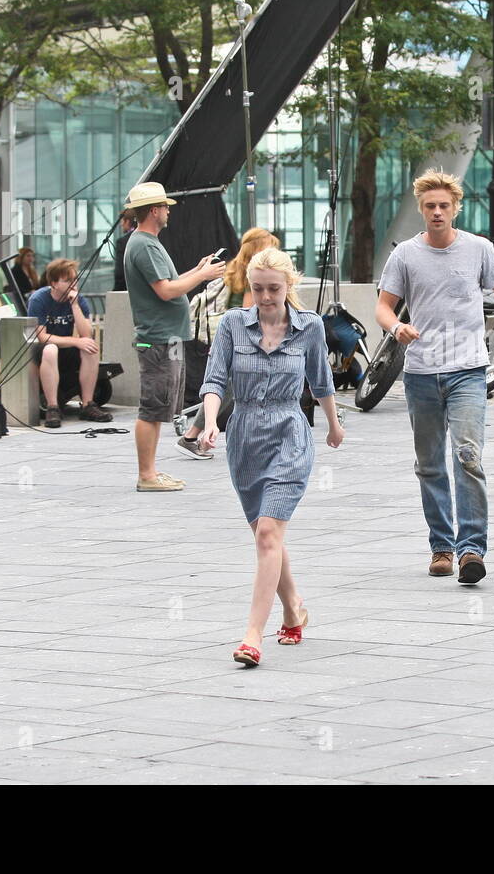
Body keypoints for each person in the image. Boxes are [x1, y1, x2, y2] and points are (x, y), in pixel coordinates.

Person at [375, 169, 494, 584]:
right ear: (422, 210)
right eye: (429, 206)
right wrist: (396, 327)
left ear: (456, 208)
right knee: (429, 465)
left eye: (444, 205)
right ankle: (441, 546)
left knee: (468, 456)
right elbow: (384, 307)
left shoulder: (478, 250)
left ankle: (471, 550)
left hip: (468, 372)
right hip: (421, 373)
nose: (437, 212)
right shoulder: (405, 254)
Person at [198, 247, 343, 668]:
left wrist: (334, 425)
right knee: (268, 536)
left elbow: (321, 380)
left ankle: (251, 636)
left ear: (289, 286)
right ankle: (294, 607)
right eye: (257, 288)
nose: (264, 297)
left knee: (266, 534)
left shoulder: (309, 327)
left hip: (289, 434)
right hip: (243, 437)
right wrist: (210, 422)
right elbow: (214, 380)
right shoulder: (230, 325)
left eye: (273, 289)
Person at [122, 181, 226, 492]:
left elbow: (169, 283)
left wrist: (196, 271)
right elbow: (165, 291)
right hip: (157, 339)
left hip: (165, 338)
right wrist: (203, 276)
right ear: (153, 211)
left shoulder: (147, 243)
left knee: (159, 409)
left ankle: (151, 472)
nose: (168, 211)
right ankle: (146, 475)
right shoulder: (143, 244)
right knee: (151, 409)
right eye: (165, 207)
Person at [177, 227, 282, 460]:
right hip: (241, 339)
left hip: (224, 336)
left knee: (225, 387)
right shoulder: (252, 275)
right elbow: (249, 312)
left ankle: (193, 436)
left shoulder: (234, 268)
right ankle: (193, 436)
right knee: (233, 388)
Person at [27, 258, 114, 428]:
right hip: (44, 350)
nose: (73, 284)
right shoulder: (39, 299)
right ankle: (53, 407)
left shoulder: (78, 300)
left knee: (90, 346)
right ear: (54, 283)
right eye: (67, 280)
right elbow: (43, 337)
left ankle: (88, 404)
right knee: (51, 349)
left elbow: (86, 333)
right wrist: (76, 341)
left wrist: (74, 306)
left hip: (66, 348)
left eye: (75, 279)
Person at [111, 209, 138, 292]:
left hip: (128, 292)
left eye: (122, 221)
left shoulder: (122, 242)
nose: (121, 224)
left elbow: (120, 273)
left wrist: (115, 292)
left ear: (127, 221)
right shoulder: (147, 238)